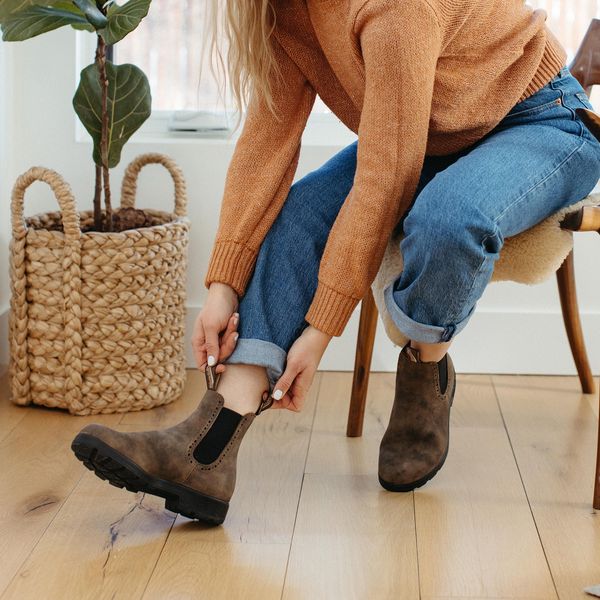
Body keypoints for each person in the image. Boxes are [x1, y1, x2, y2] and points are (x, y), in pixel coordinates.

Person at [71, 0, 600, 525]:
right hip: (433, 134)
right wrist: (222, 288)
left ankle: (427, 367)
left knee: (449, 220)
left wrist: (321, 329)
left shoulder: (396, 8)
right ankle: (208, 446)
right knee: (300, 213)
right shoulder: (282, 11)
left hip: (542, 121)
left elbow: (386, 179)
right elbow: (266, 146)